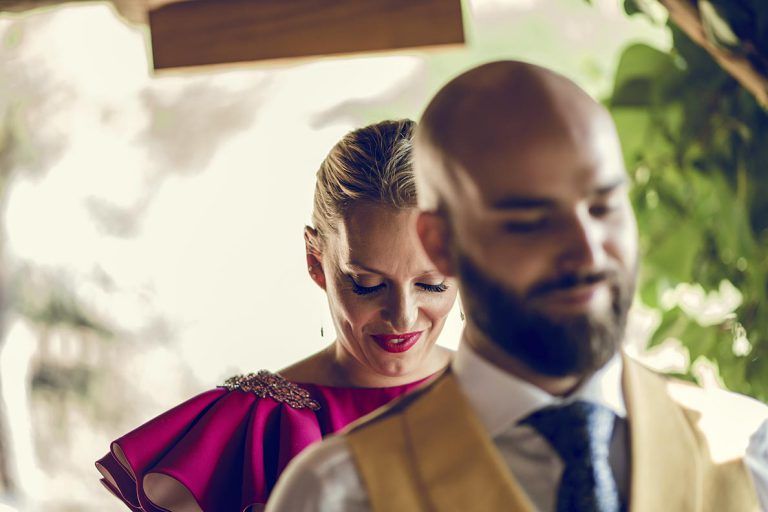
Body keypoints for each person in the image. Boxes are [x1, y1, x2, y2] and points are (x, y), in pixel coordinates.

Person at [265, 61, 768, 512]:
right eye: (530, 221)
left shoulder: (753, 449)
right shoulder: (337, 496)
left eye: (604, 206)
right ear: (441, 244)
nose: (587, 252)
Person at [95, 119, 458, 512]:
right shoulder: (257, 427)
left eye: (432, 283)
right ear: (315, 260)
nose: (403, 318)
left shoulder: (513, 397)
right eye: (368, 283)